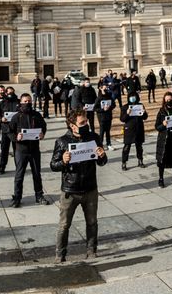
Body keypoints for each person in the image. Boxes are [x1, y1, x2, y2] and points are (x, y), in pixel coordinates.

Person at [50, 109, 108, 262]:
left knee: (92, 222)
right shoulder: (62, 141)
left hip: (90, 188)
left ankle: (91, 250)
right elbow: (53, 165)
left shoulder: (93, 138)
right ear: (72, 125)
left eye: (86, 122)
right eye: (82, 123)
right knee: (64, 225)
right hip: (70, 190)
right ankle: (60, 254)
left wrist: (102, 155)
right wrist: (63, 161)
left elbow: (101, 162)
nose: (86, 125)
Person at [9, 94, 49, 208]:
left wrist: (42, 134)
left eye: (29, 101)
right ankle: (17, 197)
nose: (27, 103)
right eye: (25, 101)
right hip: (21, 150)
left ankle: (39, 196)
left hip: (35, 150)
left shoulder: (36, 115)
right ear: (21, 102)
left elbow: (43, 126)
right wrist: (16, 137)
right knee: (19, 175)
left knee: (37, 174)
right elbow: (9, 131)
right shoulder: (16, 117)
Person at [119, 93, 147, 170]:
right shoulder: (125, 107)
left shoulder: (140, 105)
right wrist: (127, 113)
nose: (132, 98)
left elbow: (145, 117)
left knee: (139, 146)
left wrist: (144, 112)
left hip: (139, 128)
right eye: (131, 97)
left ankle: (140, 161)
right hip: (129, 129)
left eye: (134, 96)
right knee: (127, 147)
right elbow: (122, 119)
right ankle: (124, 163)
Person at [96, 85, 116, 150]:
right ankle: (100, 145)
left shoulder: (109, 97)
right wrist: (102, 109)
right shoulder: (99, 98)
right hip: (101, 117)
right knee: (101, 132)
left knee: (108, 131)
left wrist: (109, 107)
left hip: (109, 116)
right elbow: (95, 108)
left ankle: (109, 144)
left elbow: (114, 105)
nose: (105, 91)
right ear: (101, 89)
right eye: (104, 89)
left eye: (106, 89)